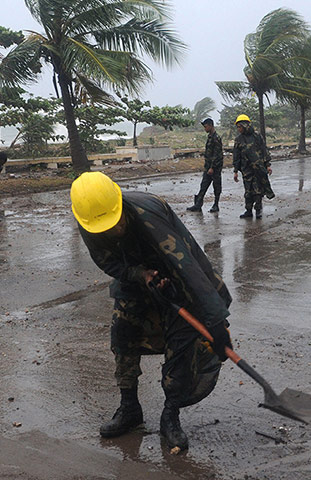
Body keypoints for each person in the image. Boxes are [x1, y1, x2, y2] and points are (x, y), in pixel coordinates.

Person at [70, 172, 233, 452]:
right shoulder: (91, 221)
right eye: (104, 228)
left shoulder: (148, 215)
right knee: (122, 334)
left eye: (116, 222)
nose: (113, 230)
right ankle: (129, 407)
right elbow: (107, 262)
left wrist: (216, 323)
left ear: (119, 204)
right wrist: (139, 274)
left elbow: (189, 270)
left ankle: (170, 414)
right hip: (137, 276)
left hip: (179, 272)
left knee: (181, 342)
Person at [232, 114, 274, 219]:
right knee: (248, 191)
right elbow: (236, 156)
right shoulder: (238, 140)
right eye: (237, 127)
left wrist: (268, 165)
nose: (238, 129)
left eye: (239, 126)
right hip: (246, 170)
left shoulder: (257, 136)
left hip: (258, 169)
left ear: (245, 125)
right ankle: (248, 210)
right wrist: (236, 170)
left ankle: (258, 210)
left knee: (258, 191)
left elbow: (264, 150)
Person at [186, 118, 223, 213]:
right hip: (208, 167)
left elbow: (217, 154)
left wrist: (212, 167)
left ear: (211, 125)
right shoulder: (210, 137)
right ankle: (198, 204)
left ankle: (216, 205)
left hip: (215, 168)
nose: (205, 128)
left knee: (216, 186)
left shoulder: (216, 138)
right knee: (203, 185)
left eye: (206, 126)